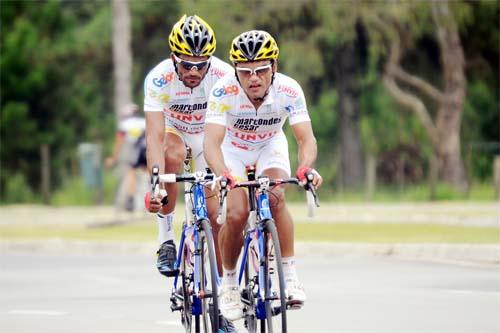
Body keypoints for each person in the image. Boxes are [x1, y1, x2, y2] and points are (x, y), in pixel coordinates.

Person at [203, 30, 323, 321]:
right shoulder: (223, 91)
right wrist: (222, 174)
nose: (253, 78)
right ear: (235, 71)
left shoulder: (290, 90)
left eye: (261, 70)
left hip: (270, 145)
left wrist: (305, 168)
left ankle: (289, 273)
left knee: (275, 195)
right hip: (232, 150)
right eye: (245, 72)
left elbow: (306, 139)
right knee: (236, 213)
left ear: (274, 68)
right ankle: (229, 284)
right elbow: (210, 143)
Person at [143, 15, 232, 278]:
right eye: (186, 65)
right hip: (175, 131)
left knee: (216, 216)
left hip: (208, 136)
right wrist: (156, 185)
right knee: (173, 153)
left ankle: (220, 297)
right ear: (173, 58)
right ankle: (166, 239)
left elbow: (233, 127)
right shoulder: (159, 78)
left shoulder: (223, 75)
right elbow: (154, 136)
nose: (193, 72)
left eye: (200, 65)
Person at [105, 103, 147, 212]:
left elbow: (119, 142)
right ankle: (151, 197)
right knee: (148, 174)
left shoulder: (124, 124)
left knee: (131, 171)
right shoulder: (143, 122)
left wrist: (113, 158)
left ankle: (130, 199)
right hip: (149, 148)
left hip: (139, 147)